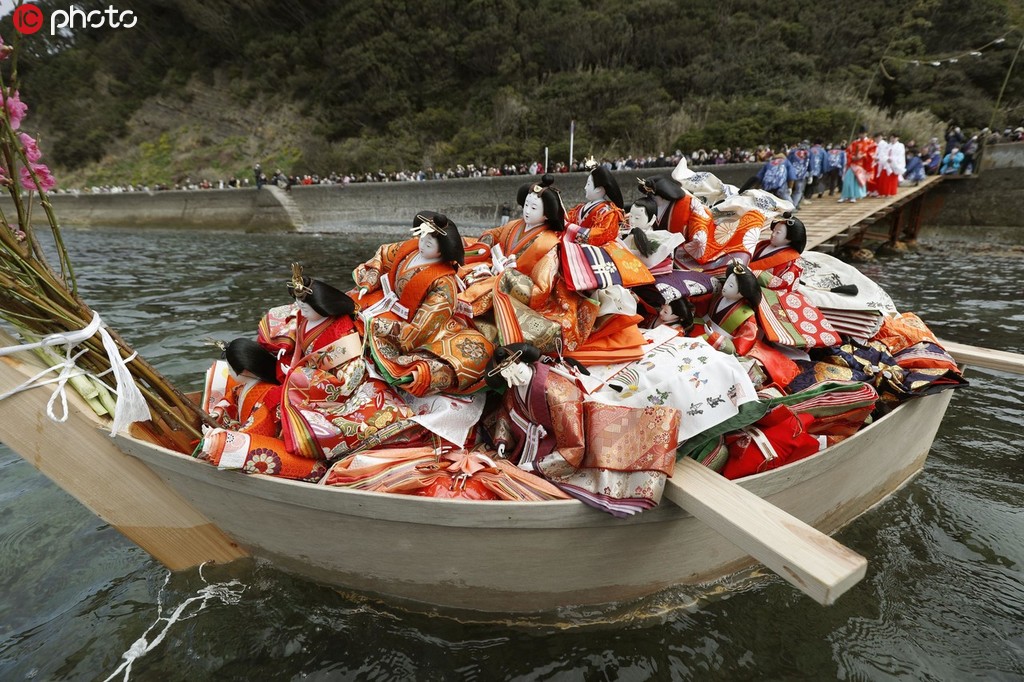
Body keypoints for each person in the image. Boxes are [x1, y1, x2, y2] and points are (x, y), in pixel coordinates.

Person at [485, 342, 680, 517]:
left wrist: (539, 465)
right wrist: (502, 440)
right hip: (531, 443)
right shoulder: (513, 389)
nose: (514, 377)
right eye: (506, 374)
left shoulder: (556, 390)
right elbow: (506, 412)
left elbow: (574, 444)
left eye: (515, 370)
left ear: (524, 363)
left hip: (559, 445)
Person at [354, 212, 494, 396]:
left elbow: (421, 328)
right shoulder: (410, 248)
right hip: (384, 298)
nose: (421, 244)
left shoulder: (444, 283)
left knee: (436, 365)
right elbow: (384, 255)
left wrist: (377, 326)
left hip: (408, 321)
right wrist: (369, 281)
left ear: (443, 250)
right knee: (348, 305)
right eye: (421, 238)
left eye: (428, 244)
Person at [839, 129, 871, 203]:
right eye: (860, 134)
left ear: (866, 134)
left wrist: (862, 156)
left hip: (862, 164)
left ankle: (854, 196)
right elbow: (848, 152)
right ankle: (845, 196)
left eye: (863, 133)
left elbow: (871, 153)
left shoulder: (869, 142)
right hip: (853, 163)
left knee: (857, 181)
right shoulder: (854, 142)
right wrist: (852, 157)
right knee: (847, 179)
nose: (861, 135)